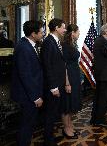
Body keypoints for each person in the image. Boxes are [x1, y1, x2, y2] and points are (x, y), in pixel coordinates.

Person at [11, 20, 44, 146]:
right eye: (41, 32)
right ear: (33, 34)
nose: (43, 34)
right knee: (26, 125)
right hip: (27, 96)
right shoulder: (23, 48)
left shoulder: (29, 45)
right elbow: (26, 75)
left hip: (30, 94)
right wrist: (35, 97)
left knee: (29, 124)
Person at [41, 18, 66, 146]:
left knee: (53, 113)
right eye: (63, 27)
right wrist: (53, 87)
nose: (65, 30)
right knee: (50, 113)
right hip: (53, 86)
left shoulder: (55, 41)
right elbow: (47, 66)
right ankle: (48, 141)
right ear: (56, 28)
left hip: (58, 84)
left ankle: (50, 137)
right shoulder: (48, 42)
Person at [61, 24, 81, 139]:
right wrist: (67, 82)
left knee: (71, 103)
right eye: (78, 32)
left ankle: (70, 125)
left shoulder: (72, 44)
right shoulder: (65, 45)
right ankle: (66, 128)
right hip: (68, 77)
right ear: (72, 33)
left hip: (74, 76)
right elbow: (64, 65)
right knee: (66, 105)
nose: (79, 34)